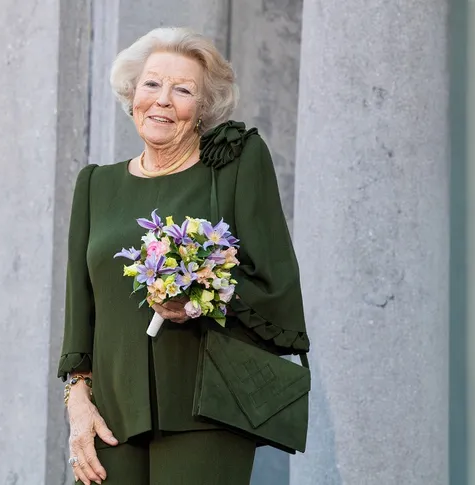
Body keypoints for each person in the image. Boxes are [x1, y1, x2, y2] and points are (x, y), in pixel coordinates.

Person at [58, 27, 310, 485]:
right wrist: (78, 405)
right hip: (111, 417)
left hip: (206, 412)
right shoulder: (94, 184)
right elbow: (81, 309)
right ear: (132, 94)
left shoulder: (234, 165)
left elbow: (276, 287)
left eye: (183, 90)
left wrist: (200, 296)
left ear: (203, 108)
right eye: (152, 84)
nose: (163, 100)